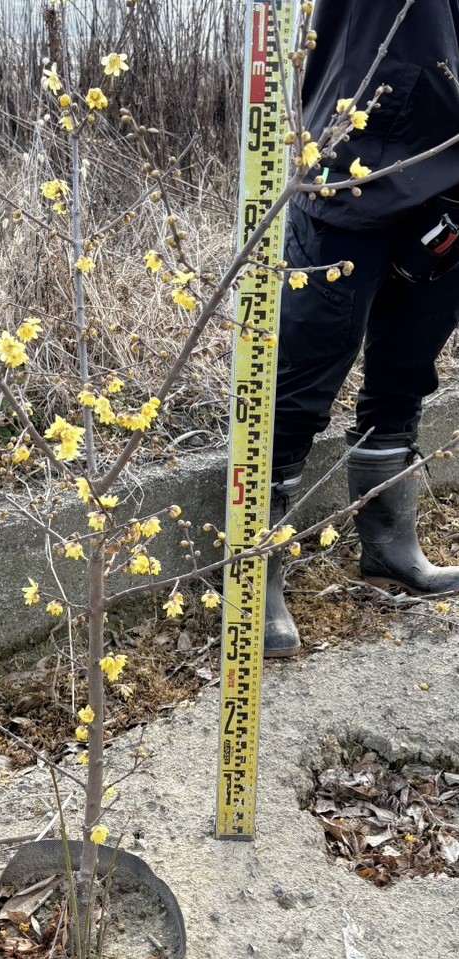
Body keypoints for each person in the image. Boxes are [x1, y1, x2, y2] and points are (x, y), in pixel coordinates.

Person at [265, 0, 459, 657]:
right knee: (303, 372)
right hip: (352, 163)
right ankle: (258, 568)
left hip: (451, 178)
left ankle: (387, 545)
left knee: (407, 370)